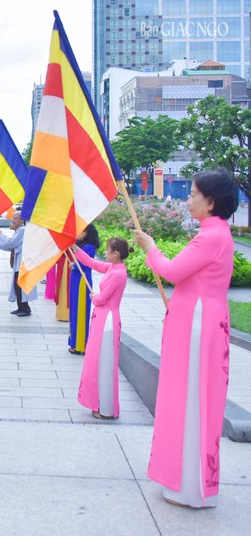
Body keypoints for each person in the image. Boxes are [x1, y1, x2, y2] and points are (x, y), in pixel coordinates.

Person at [133, 169, 238, 509]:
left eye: (193, 194)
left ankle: (187, 485)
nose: (188, 199)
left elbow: (172, 271)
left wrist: (150, 247)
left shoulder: (211, 236)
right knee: (192, 396)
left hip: (197, 324)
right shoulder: (216, 233)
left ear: (211, 201)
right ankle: (186, 481)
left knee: (189, 397)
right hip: (201, 320)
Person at [72, 237, 129, 420]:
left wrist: (95, 295)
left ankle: (105, 407)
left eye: (108, 249)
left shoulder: (118, 274)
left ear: (116, 253)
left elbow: (101, 299)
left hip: (107, 321)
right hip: (102, 319)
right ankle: (100, 404)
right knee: (98, 361)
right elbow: (91, 262)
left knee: (103, 363)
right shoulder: (113, 268)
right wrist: (75, 249)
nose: (105, 252)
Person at [0, 212, 36, 316]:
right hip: (21, 261)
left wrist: (1, 234)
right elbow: (12, 245)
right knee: (17, 285)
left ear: (22, 220)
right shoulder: (20, 230)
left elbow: (11, 243)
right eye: (13, 218)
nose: (13, 220)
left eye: (16, 218)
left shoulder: (22, 230)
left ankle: (25, 309)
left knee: (20, 285)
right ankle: (21, 307)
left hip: (23, 262)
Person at [68, 224, 100, 355]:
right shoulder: (81, 244)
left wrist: (73, 265)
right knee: (74, 310)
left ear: (87, 233)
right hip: (76, 280)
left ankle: (80, 344)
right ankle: (75, 341)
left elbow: (83, 263)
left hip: (82, 281)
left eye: (81, 231)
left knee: (80, 312)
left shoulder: (89, 247)